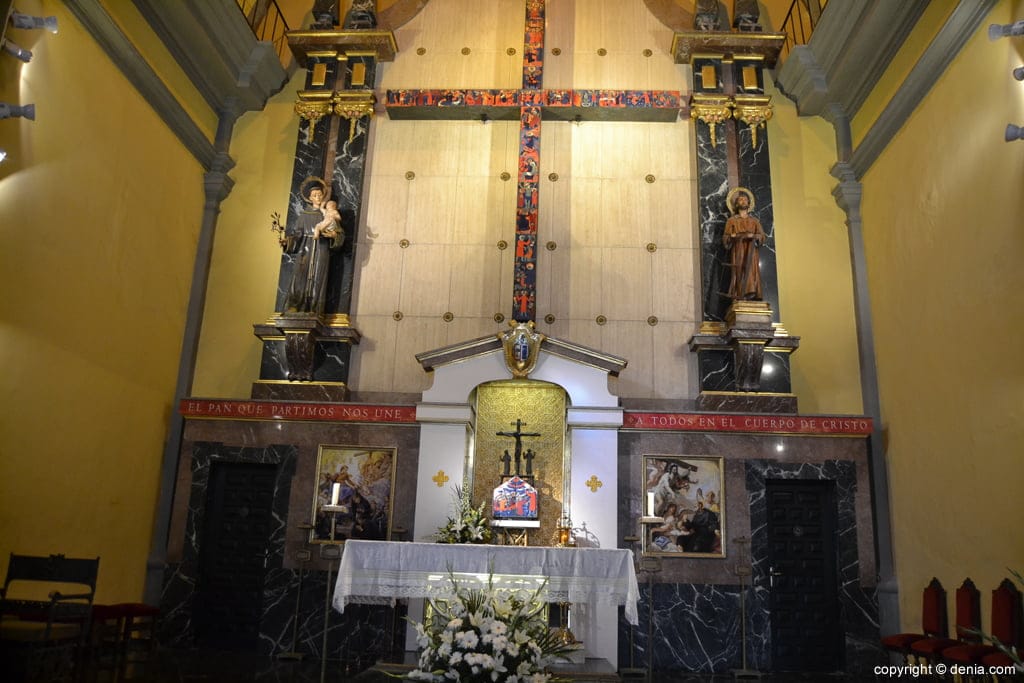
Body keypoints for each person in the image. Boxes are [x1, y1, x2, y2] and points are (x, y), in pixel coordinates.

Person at [281, 181, 345, 314]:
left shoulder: (327, 214)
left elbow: (339, 233)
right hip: (305, 248)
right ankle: (296, 305)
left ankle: (315, 308)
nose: (317, 197)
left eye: (320, 194)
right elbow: (297, 234)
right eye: (314, 195)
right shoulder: (304, 215)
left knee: (318, 276)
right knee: (300, 275)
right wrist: (287, 242)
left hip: (322, 249)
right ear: (310, 198)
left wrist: (333, 235)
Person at [723, 187, 766, 301]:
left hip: (751, 252)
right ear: (736, 204)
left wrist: (754, 237)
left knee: (751, 271)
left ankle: (751, 292)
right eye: (740, 200)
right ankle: (738, 293)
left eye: (745, 200)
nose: (743, 201)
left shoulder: (754, 221)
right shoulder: (731, 221)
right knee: (738, 271)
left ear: (749, 203)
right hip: (738, 251)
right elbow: (725, 237)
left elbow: (762, 236)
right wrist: (731, 237)